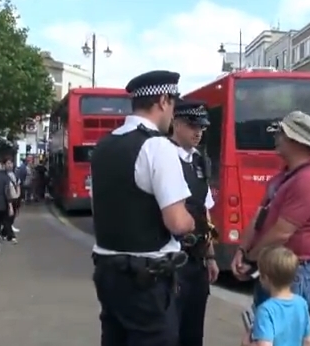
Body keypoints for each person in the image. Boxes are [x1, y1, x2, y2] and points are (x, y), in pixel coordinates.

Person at [91, 70, 195, 346]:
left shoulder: (104, 146)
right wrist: (191, 223)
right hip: (145, 279)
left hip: (107, 271)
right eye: (173, 105)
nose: (173, 114)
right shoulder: (157, 146)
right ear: (163, 101)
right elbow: (176, 221)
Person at [231, 111, 310, 312]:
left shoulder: (309, 179)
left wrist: (251, 259)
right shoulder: (285, 176)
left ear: (296, 141)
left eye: (282, 133)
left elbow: (282, 232)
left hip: (294, 274)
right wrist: (242, 250)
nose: (276, 138)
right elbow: (260, 215)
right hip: (274, 269)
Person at [170, 100, 219, 346]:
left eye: (202, 126)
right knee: (170, 332)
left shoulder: (200, 161)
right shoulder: (165, 157)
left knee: (193, 333)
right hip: (172, 260)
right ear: (176, 124)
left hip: (197, 261)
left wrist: (210, 256)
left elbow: (204, 212)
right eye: (192, 125)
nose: (198, 131)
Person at [241, 247, 310, 346]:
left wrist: (246, 343)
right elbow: (307, 341)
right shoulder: (302, 303)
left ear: (265, 278)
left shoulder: (266, 310)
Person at [2, 158, 20, 243]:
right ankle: (11, 235)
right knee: (8, 217)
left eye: (11, 163)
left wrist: (18, 195)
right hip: (7, 198)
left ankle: (3, 233)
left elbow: (18, 184)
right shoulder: (3, 175)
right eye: (8, 163)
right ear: (4, 165)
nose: (10, 165)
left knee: (12, 216)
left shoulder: (15, 174)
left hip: (15, 197)